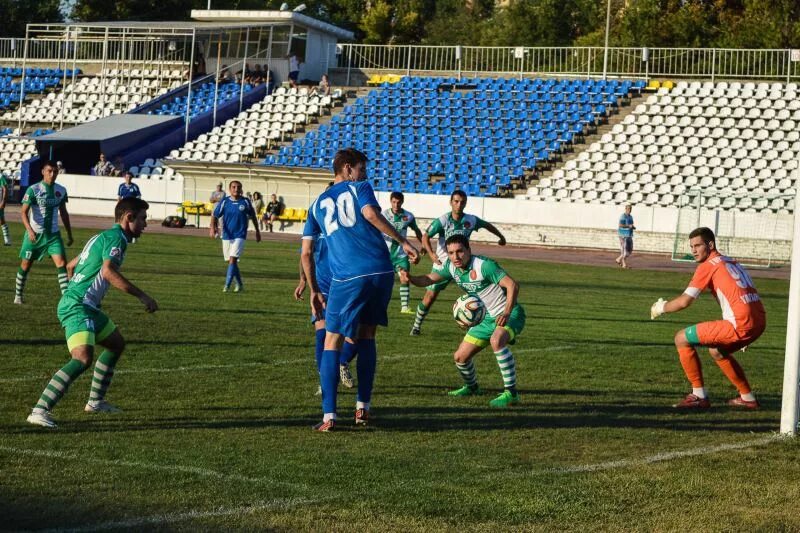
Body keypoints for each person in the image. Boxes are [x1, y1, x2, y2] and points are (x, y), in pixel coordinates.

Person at [301, 148, 418, 431]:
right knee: (367, 335)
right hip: (380, 271)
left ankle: (329, 416)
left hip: (347, 277)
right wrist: (402, 240)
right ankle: (362, 409)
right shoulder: (360, 188)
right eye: (362, 169)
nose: (365, 174)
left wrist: (314, 288)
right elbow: (369, 214)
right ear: (348, 168)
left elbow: (306, 251)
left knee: (332, 340)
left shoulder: (316, 204)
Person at [26, 197, 158, 428]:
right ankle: (39, 410)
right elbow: (108, 272)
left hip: (85, 305)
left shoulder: (102, 236)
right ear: (129, 218)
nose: (145, 224)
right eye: (143, 219)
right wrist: (142, 295)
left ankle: (95, 402)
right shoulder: (116, 239)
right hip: (79, 306)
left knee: (116, 344)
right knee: (82, 358)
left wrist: (80, 295)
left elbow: (70, 266)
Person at [400, 234, 524, 408]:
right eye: (451, 253)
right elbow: (429, 279)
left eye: (460, 251)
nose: (455, 257)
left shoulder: (484, 266)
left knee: (496, 341)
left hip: (509, 314)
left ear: (468, 250)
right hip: (485, 318)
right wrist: (410, 278)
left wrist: (507, 312)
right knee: (460, 357)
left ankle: (511, 394)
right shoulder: (451, 267)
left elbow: (512, 285)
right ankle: (472, 387)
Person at [650, 227, 766, 409]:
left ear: (710, 244)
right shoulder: (731, 262)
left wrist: (661, 307)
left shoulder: (708, 265)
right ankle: (748, 398)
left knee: (681, 338)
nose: (694, 251)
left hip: (741, 323)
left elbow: (684, 302)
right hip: (758, 321)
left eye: (697, 245)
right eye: (691, 247)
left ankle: (698, 396)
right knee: (717, 351)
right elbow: (741, 294)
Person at [411, 189, 506, 336]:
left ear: (465, 203)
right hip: (444, 265)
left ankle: (489, 328)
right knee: (430, 297)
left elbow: (487, 225)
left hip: (464, 264)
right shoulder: (444, 220)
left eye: (462, 202)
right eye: (456, 201)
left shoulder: (470, 220)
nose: (459, 204)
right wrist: (431, 254)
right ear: (451, 202)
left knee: (477, 297)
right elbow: (425, 236)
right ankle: (416, 326)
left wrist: (501, 237)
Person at [15, 160, 74, 305]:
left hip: (53, 235)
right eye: (50, 171)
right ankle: (18, 296)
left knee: (61, 264)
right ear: (43, 172)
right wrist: (29, 231)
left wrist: (69, 234)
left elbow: (64, 213)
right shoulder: (33, 189)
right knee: (25, 265)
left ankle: (66, 299)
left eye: (55, 171)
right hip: (34, 235)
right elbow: (23, 212)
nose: (53, 174)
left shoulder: (61, 190)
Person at [210, 180, 261, 292]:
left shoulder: (246, 202)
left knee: (233, 260)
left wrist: (257, 231)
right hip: (227, 235)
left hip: (240, 234)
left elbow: (253, 217)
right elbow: (215, 214)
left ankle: (227, 286)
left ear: (241, 189)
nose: (236, 189)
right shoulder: (225, 201)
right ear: (230, 189)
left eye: (238, 187)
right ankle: (239, 284)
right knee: (230, 261)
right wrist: (212, 228)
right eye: (234, 187)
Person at [382, 191, 424, 313]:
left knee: (405, 277)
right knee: (383, 281)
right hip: (385, 254)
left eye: (398, 202)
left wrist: (423, 244)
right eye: (394, 202)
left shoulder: (408, 216)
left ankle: (405, 307)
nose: (396, 205)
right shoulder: (384, 215)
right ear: (391, 201)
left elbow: (416, 230)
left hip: (401, 255)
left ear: (402, 202)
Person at [616, 204, 635, 268]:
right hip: (623, 235)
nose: (629, 210)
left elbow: (631, 224)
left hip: (629, 235)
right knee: (624, 249)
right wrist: (628, 226)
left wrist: (632, 227)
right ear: (625, 209)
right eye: (628, 209)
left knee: (630, 249)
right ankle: (624, 264)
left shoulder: (631, 217)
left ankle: (618, 259)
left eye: (630, 209)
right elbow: (620, 225)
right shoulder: (623, 216)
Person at [0, 171, 10, 246]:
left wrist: (3, 201)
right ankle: (7, 240)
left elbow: (5, 188)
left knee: (1, 220)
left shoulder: (0, 176)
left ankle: (7, 240)